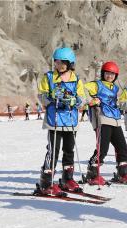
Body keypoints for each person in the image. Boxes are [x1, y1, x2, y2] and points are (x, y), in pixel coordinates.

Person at [37, 47, 85, 196]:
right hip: (55, 120)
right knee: (53, 151)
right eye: (57, 62)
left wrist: (74, 100)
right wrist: (51, 97)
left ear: (70, 63)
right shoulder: (49, 77)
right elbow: (41, 96)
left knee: (69, 150)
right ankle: (46, 181)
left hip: (70, 122)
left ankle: (67, 178)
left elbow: (82, 100)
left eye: (63, 63)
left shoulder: (76, 79)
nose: (60, 65)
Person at [84, 61, 127, 185]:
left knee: (123, 148)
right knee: (102, 148)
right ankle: (92, 172)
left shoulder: (115, 88)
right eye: (107, 73)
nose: (110, 76)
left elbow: (117, 102)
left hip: (115, 119)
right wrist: (91, 100)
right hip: (102, 118)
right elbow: (82, 89)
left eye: (113, 74)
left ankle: (122, 172)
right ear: (103, 73)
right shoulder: (97, 84)